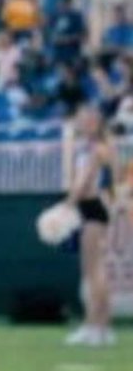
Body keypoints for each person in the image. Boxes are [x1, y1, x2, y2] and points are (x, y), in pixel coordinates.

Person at [65, 105, 116, 346]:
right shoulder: (94, 148)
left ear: (95, 123)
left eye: (87, 120)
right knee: (97, 271)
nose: (82, 123)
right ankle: (101, 326)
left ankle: (93, 325)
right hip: (94, 207)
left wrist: (68, 205)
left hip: (91, 207)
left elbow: (85, 182)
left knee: (92, 272)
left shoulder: (96, 149)